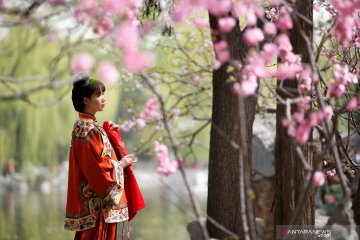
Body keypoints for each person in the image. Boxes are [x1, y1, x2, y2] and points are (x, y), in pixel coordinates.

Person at [64, 77, 136, 240]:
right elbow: (96, 167)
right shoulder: (88, 130)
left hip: (94, 202)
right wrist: (120, 164)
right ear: (86, 100)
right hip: (98, 204)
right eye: (98, 95)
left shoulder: (85, 126)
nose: (103, 98)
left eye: (103, 93)